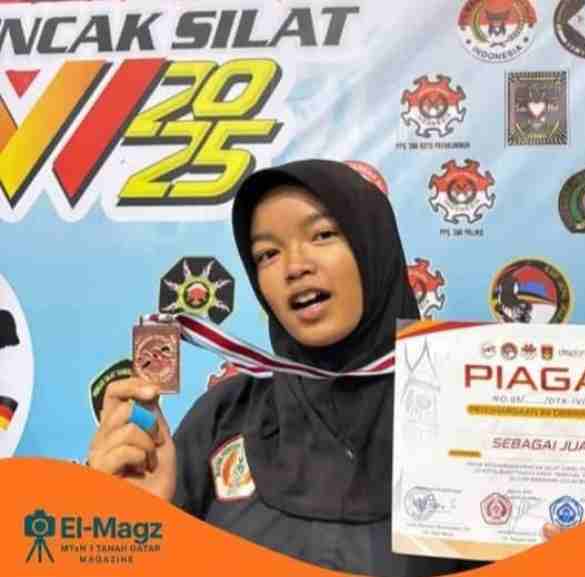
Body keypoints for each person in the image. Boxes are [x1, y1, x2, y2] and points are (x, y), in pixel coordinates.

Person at [87, 160, 559, 576]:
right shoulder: (223, 417)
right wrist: (134, 528)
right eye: (267, 253)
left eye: (323, 235)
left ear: (374, 249)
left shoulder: (473, 419)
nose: (294, 266)